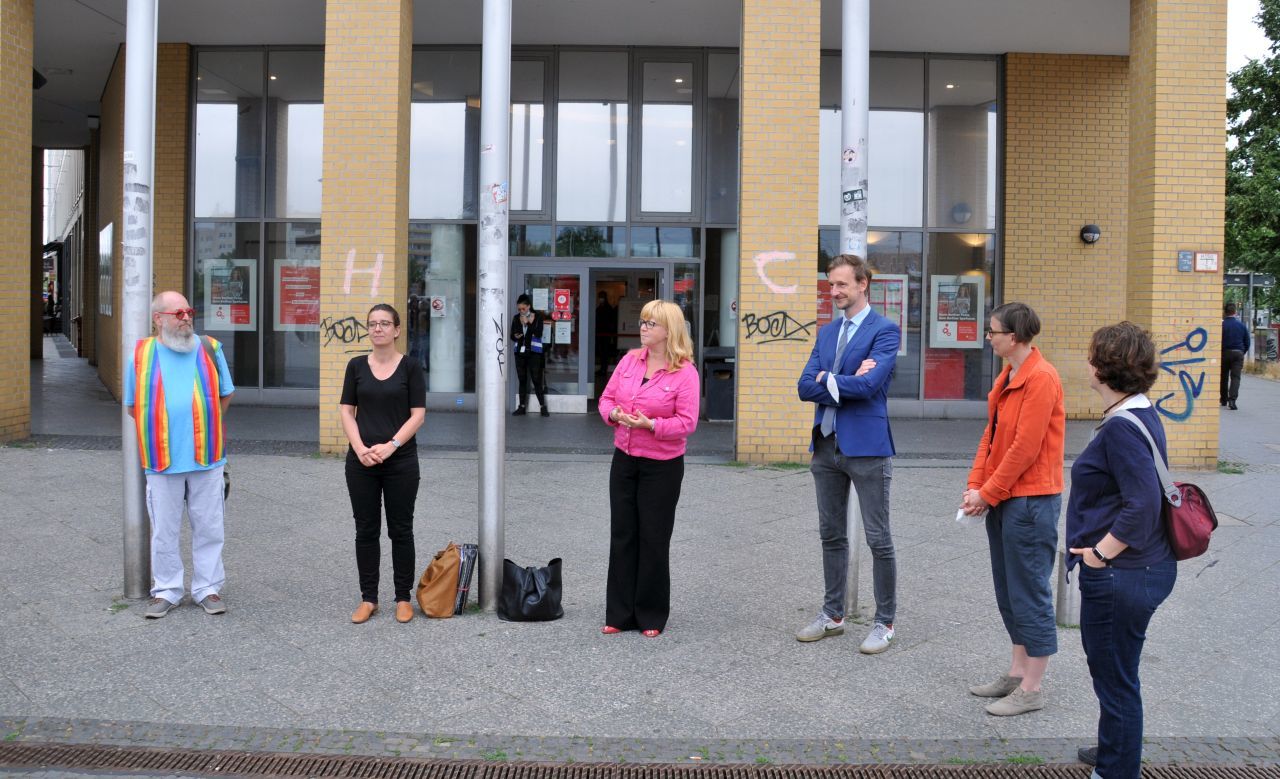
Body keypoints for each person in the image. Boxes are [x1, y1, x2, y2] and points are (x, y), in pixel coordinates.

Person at [1066, 322, 1176, 779]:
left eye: (1093, 356)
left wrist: (1099, 556)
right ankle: (1115, 748)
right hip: (1142, 569)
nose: (1087, 363)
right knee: (1118, 673)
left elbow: (1143, 504)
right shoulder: (1139, 412)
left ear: (1104, 367)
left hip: (1122, 574)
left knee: (1116, 682)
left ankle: (1115, 769)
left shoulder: (1121, 429)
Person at [961, 302, 1066, 716]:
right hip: (1006, 497)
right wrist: (976, 485)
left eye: (993, 332)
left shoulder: (1042, 378)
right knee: (1009, 589)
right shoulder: (1010, 374)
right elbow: (992, 436)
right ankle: (1017, 672)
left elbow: (1025, 448)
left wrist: (988, 492)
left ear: (1016, 336)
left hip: (1031, 501)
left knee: (1030, 592)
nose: (988, 338)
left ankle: (1033, 688)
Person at [796, 253, 900, 654]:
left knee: (879, 538)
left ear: (862, 285)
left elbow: (871, 386)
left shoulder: (884, 331)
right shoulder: (827, 333)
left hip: (868, 448)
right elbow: (805, 387)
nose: (834, 292)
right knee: (831, 535)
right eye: (830, 285)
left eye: (841, 284)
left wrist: (830, 379)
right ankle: (833, 615)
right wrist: (839, 380)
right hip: (825, 446)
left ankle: (884, 622)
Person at [125, 291, 235, 619]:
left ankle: (207, 587)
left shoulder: (210, 349)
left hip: (207, 455)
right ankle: (168, 589)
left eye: (189, 311)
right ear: (158, 319)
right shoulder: (141, 354)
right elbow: (133, 406)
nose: (186, 317)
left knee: (209, 525)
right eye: (178, 313)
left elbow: (224, 396)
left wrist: (199, 423)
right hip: (162, 458)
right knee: (164, 529)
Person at [598, 299, 699, 637]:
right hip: (624, 459)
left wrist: (650, 425)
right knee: (623, 533)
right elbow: (606, 399)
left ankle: (651, 615)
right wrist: (614, 415)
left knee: (654, 537)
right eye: (642, 321)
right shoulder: (629, 361)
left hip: (662, 467)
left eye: (651, 323)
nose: (643, 328)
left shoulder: (685, 372)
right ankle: (619, 612)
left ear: (669, 330)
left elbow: (687, 422)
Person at [340, 304, 426, 624]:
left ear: (397, 330)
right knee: (366, 530)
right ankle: (368, 598)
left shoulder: (411, 367)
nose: (378, 329)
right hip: (361, 461)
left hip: (400, 461)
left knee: (401, 530)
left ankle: (403, 598)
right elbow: (347, 410)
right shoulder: (356, 366)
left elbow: (418, 414)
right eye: (373, 324)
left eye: (385, 323)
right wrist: (360, 447)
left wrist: (391, 446)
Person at [510, 293, 549, 416]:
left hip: (534, 353)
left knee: (536, 379)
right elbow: (512, 335)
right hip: (520, 353)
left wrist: (528, 323)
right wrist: (516, 335)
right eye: (519, 309)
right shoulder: (516, 318)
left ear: (529, 306)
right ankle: (521, 407)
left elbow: (538, 333)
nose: (521, 311)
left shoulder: (537, 317)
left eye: (523, 308)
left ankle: (543, 407)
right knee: (522, 380)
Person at [1220, 302, 1250, 410]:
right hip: (1238, 353)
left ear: (1225, 312)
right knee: (1235, 378)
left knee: (1223, 376)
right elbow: (1247, 342)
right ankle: (1232, 401)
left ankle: (1223, 399)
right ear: (1235, 312)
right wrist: (1242, 352)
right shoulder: (1241, 325)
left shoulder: (1222, 326)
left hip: (1224, 353)